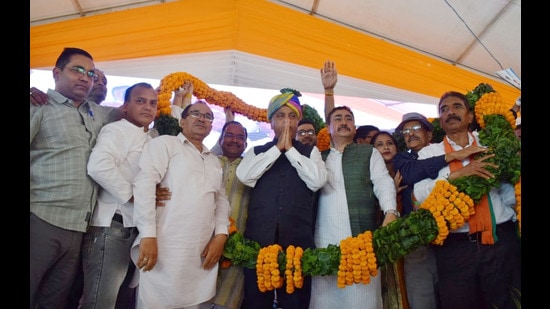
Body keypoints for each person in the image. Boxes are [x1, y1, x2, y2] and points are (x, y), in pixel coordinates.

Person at [30, 47, 122, 308]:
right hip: (41, 219)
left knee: (54, 301)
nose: (85, 78)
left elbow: (131, 110)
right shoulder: (38, 107)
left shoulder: (97, 113)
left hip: (79, 230)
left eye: (91, 74)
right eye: (77, 70)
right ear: (57, 73)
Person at [413, 91, 521, 309]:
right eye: (444, 109)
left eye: (456, 107)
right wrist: (457, 175)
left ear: (471, 116)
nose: (450, 112)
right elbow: (420, 196)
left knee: (505, 302)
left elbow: (509, 188)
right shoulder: (429, 153)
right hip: (455, 249)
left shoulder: (490, 143)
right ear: (440, 121)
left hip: (500, 240)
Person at [131, 100, 231, 308]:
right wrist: (148, 235)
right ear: (182, 121)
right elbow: (145, 184)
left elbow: (221, 200)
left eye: (208, 116)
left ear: (212, 126)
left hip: (199, 253)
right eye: (196, 113)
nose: (202, 118)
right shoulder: (165, 144)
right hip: (163, 247)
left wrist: (221, 236)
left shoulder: (213, 160)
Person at [236, 89, 328, 309]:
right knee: (256, 301)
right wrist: (277, 149)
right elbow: (245, 176)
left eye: (292, 116)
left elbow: (317, 181)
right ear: (270, 121)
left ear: (298, 122)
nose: (287, 122)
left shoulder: (310, 152)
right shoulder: (256, 151)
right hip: (259, 243)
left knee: (295, 301)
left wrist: (291, 151)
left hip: (298, 246)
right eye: (280, 116)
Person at [392, 112, 486, 309]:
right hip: (421, 240)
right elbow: (411, 173)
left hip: (454, 237)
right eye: (406, 131)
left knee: (456, 296)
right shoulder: (403, 159)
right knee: (423, 297)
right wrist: (451, 157)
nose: (410, 134)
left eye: (416, 128)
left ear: (429, 134)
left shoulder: (447, 150)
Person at [310, 105, 398, 309]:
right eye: (338, 119)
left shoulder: (368, 152)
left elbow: (383, 182)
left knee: (362, 298)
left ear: (354, 126)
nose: (343, 122)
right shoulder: (318, 157)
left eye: (348, 118)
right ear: (329, 127)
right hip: (323, 240)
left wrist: (390, 211)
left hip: (360, 238)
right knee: (324, 299)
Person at [79, 82, 158, 309]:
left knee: (121, 302)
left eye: (152, 103)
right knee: (100, 303)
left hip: (132, 230)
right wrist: (135, 196)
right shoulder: (118, 130)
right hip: (111, 228)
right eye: (140, 101)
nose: (147, 107)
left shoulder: (149, 138)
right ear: (125, 106)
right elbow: (98, 166)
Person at [206, 120, 251, 309]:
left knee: (228, 298)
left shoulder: (252, 168)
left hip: (238, 246)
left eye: (240, 137)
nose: (235, 140)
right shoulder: (208, 161)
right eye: (230, 135)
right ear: (221, 138)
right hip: (204, 241)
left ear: (246, 144)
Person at [370, 131, 409, 309]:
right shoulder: (369, 177)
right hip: (383, 240)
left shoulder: (407, 170)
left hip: (409, 240)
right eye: (379, 144)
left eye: (389, 143)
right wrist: (390, 192)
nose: (385, 147)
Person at [30, 68, 108, 106]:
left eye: (105, 82)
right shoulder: (44, 103)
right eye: (95, 79)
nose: (101, 84)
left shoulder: (107, 114)